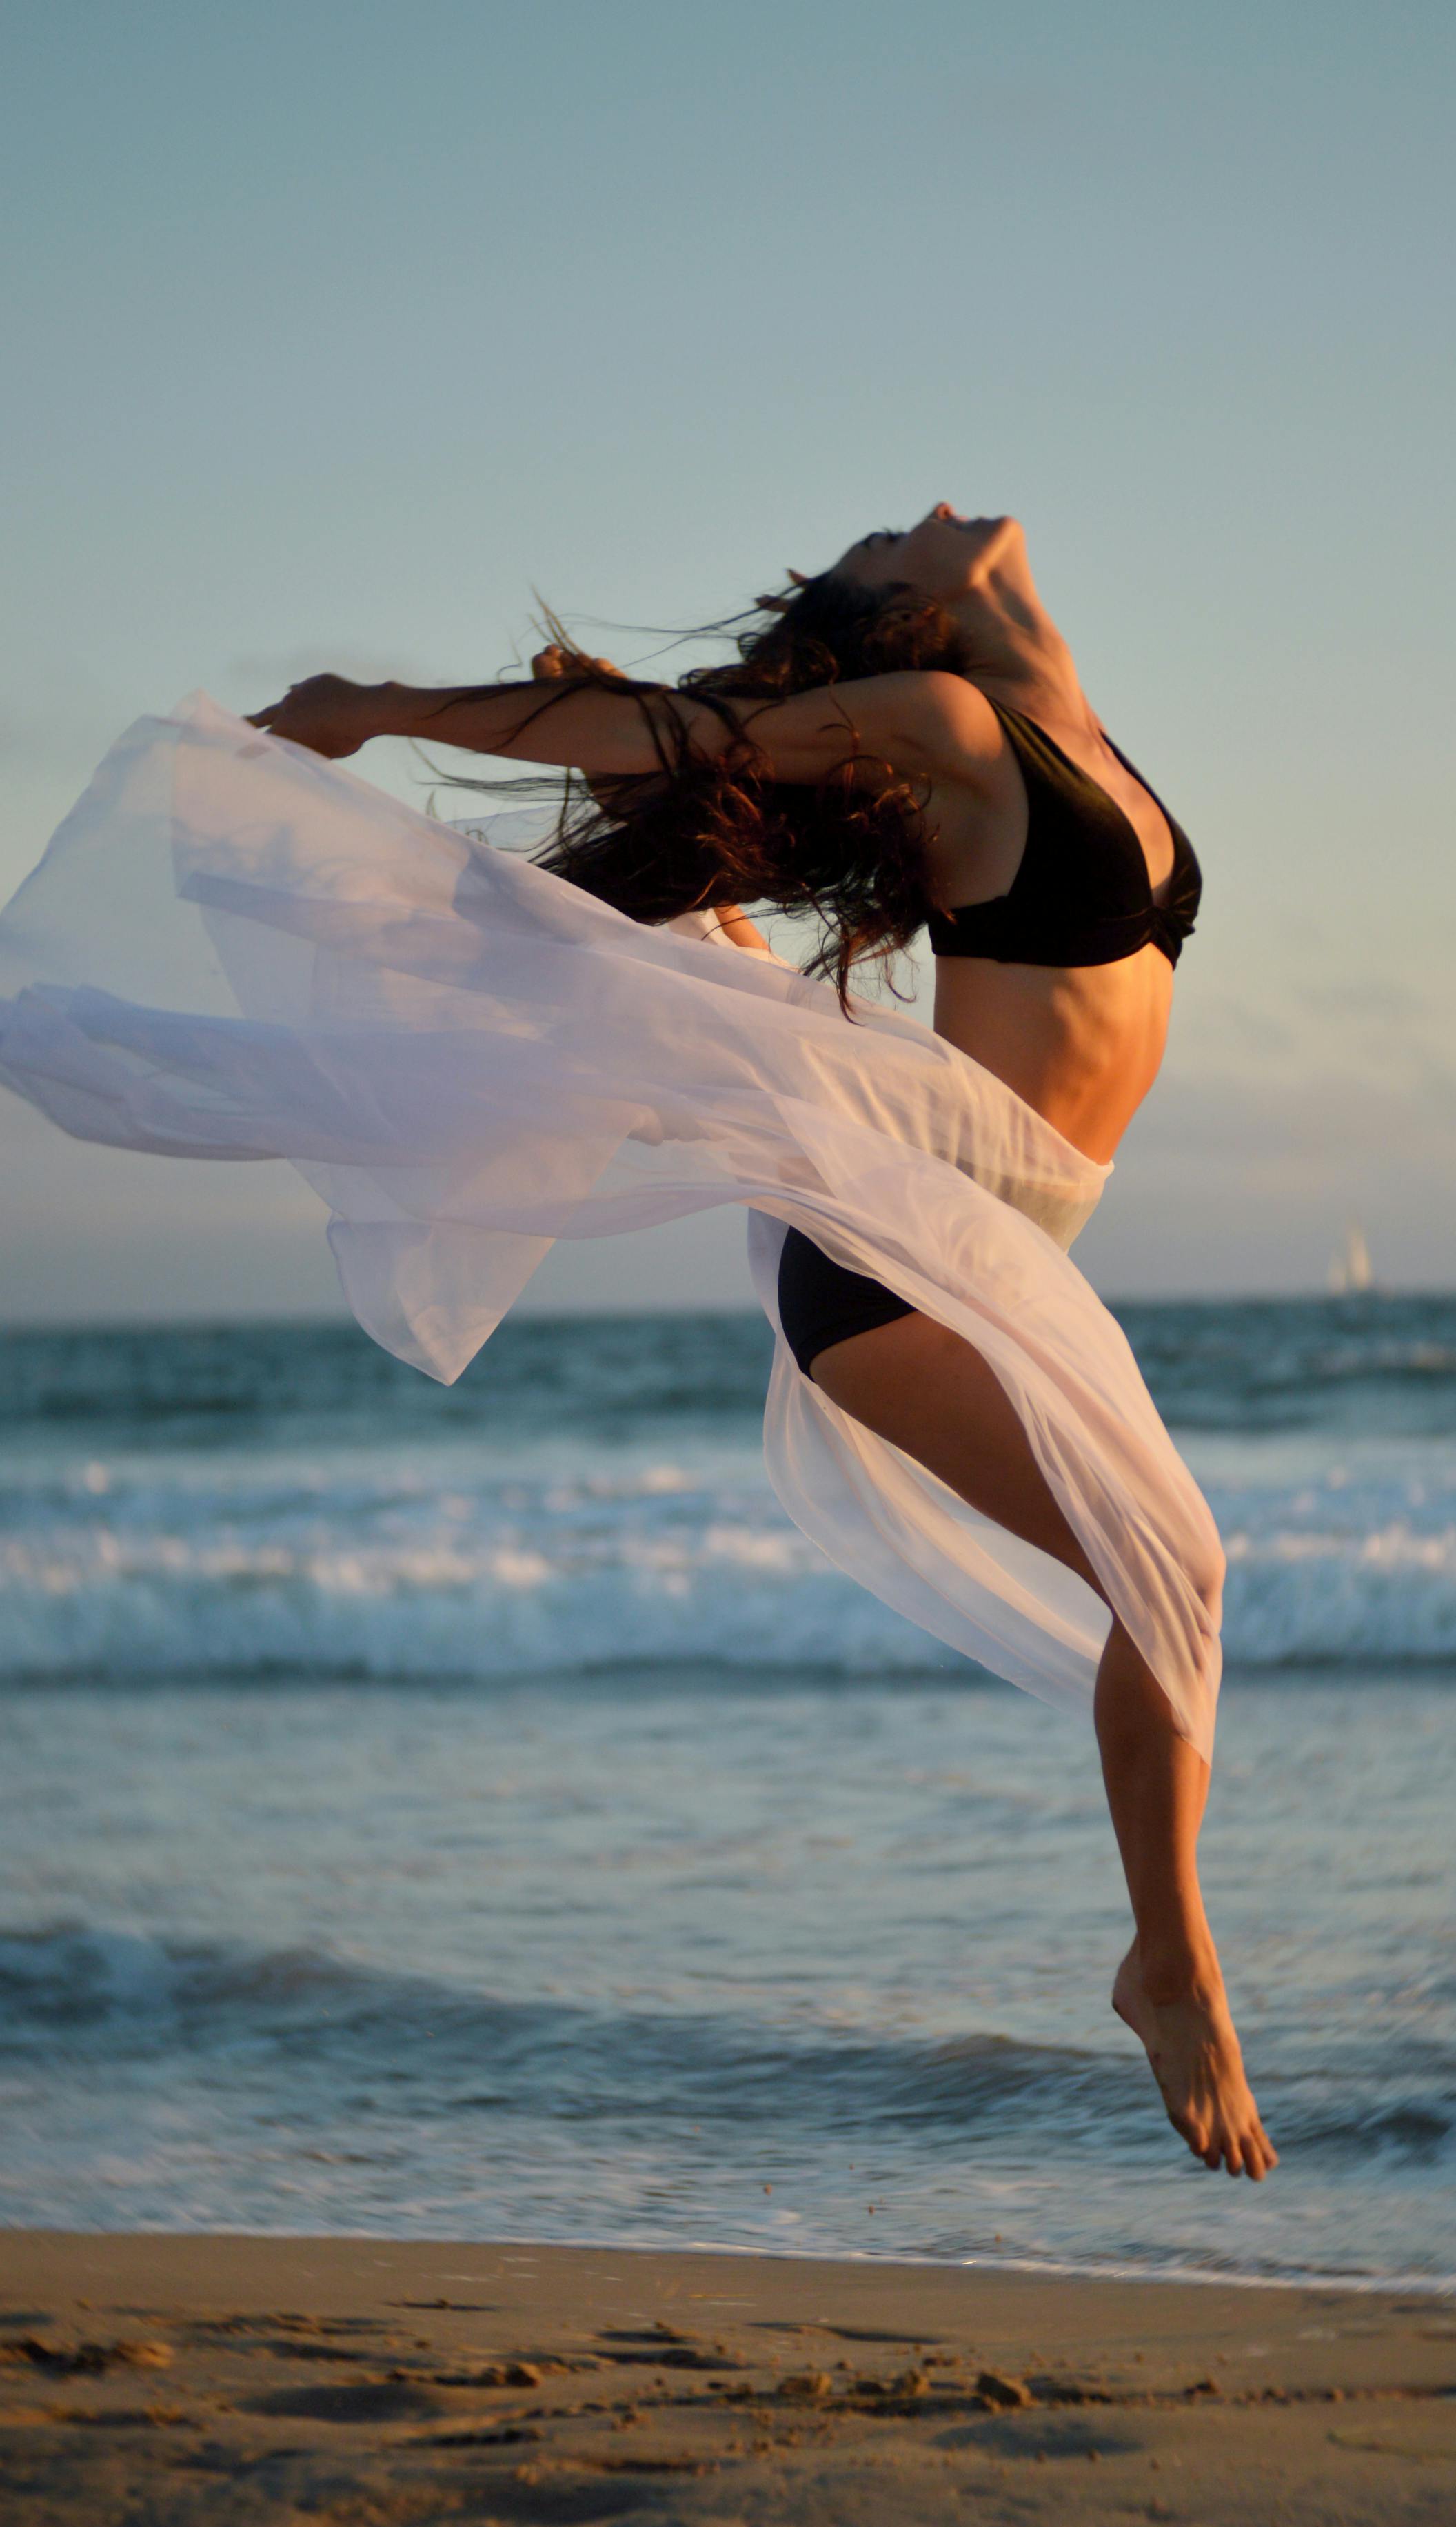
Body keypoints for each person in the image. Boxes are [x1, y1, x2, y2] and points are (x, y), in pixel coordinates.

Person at [6, 505, 1275, 2182]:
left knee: (1171, 1575)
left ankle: (1161, 1950)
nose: (910, 517)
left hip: (988, 1241)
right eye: (887, 538)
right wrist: (380, 701)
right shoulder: (954, 727)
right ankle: (1165, 1959)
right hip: (894, 1263)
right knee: (1171, 1566)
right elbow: (670, 737)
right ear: (908, 619)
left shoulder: (1066, 727)